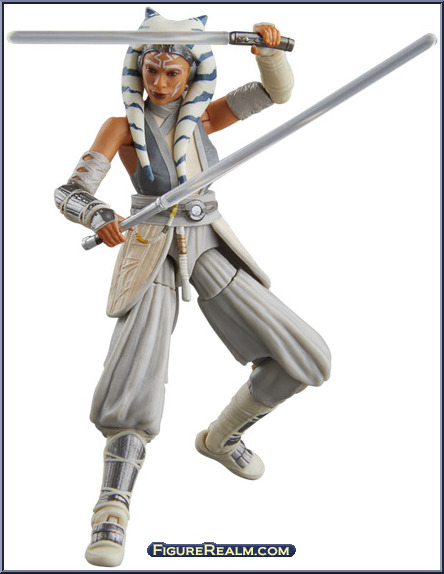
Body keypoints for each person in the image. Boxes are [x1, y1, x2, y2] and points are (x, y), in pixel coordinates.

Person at [54, 7, 331, 568]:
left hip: (208, 243)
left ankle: (220, 438)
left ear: (190, 75)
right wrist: (98, 215)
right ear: (137, 69)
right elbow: (69, 191)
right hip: (150, 246)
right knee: (134, 377)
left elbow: (275, 94)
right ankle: (112, 507)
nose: (159, 83)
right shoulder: (120, 128)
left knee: (307, 358)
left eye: (171, 73)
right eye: (151, 71)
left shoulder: (205, 118)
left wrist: (268, 53)